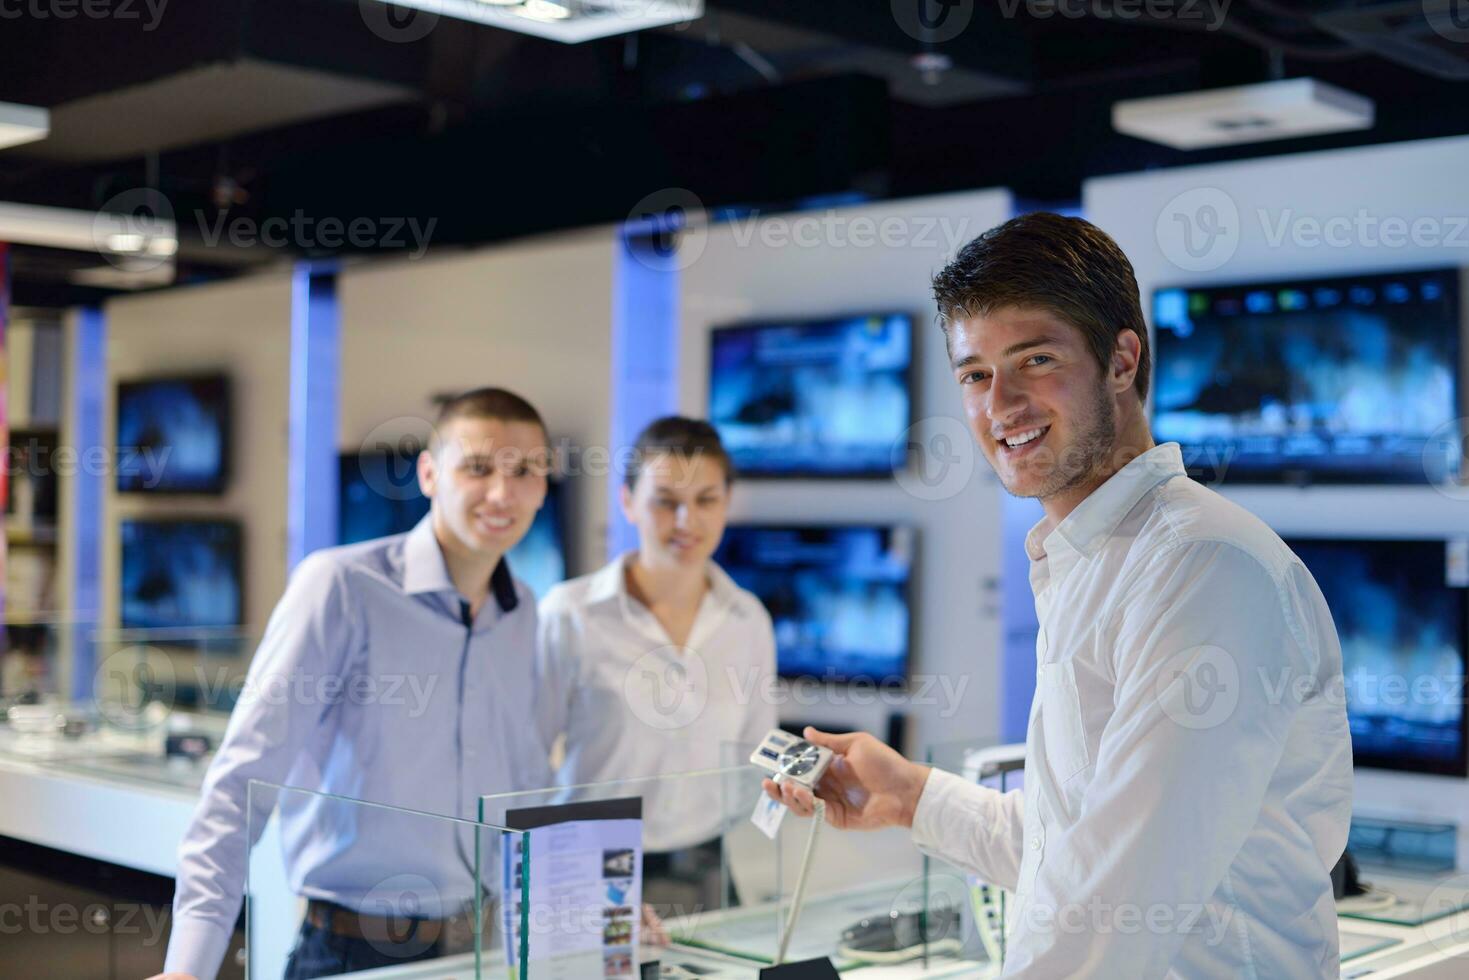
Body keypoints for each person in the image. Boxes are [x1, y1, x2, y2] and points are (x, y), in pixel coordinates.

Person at [766, 213, 1353, 978]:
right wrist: (911, 795)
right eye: (974, 374)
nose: (999, 405)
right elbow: (1071, 846)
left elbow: (1117, 898)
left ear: (1120, 358)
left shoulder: (1199, 567)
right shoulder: (1091, 558)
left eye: (1034, 359)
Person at [151, 388, 555, 980]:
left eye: (525, 471)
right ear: (428, 473)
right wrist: (189, 965)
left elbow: (526, 794)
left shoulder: (524, 612)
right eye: (477, 467)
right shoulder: (342, 586)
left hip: (478, 953)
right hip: (348, 955)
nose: (502, 492)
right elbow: (243, 781)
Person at [536, 417, 777, 912]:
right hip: (591, 864)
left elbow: (757, 755)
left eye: (705, 500)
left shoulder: (747, 617)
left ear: (727, 503)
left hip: (710, 866)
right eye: (665, 501)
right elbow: (526, 759)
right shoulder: (570, 613)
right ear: (628, 503)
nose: (686, 521)